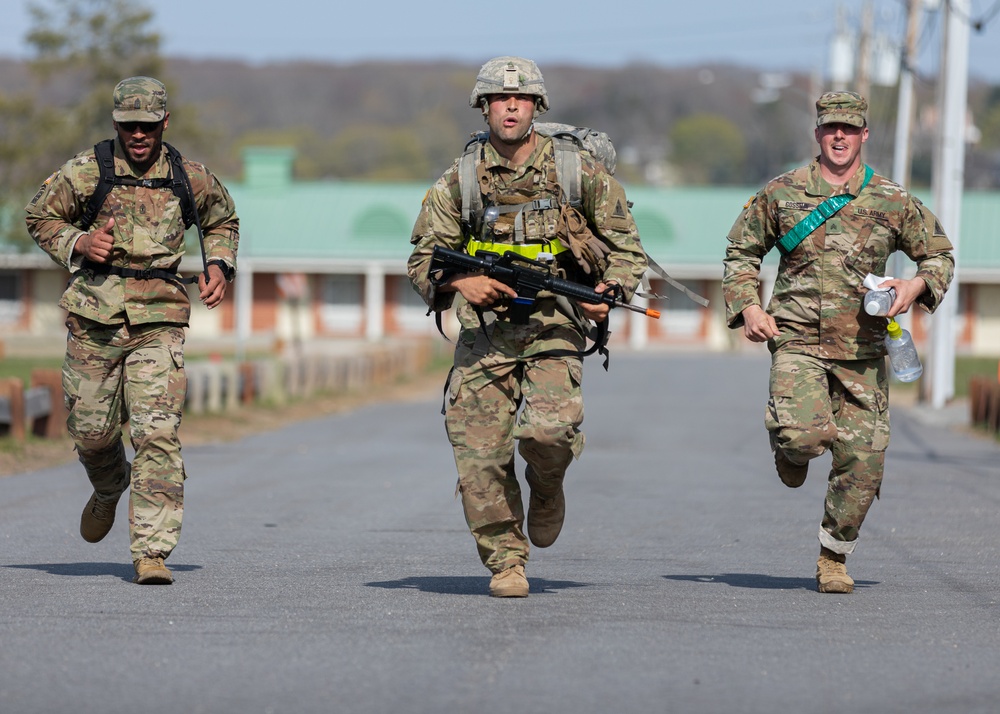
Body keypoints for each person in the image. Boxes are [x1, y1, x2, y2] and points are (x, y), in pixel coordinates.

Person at [407, 57, 648, 597]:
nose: (510, 106)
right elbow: (423, 257)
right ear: (484, 107)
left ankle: (547, 483)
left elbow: (627, 248)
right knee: (479, 456)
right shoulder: (461, 179)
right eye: (499, 98)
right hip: (485, 333)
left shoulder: (575, 171)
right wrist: (459, 283)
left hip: (554, 325)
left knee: (548, 433)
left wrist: (611, 292)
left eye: (521, 98)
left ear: (537, 106)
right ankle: (506, 562)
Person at [722, 91, 954, 594]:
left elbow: (939, 256)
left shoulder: (892, 199)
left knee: (865, 460)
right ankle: (790, 444)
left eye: (850, 129)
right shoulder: (782, 193)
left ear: (864, 134)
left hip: (865, 350)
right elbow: (741, 252)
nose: (840, 137)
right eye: (831, 128)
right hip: (798, 340)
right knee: (805, 436)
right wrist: (749, 306)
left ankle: (833, 557)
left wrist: (914, 286)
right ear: (818, 134)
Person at [25, 76, 239, 585]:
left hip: (160, 319)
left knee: (157, 433)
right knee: (92, 433)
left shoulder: (190, 177)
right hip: (95, 317)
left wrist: (221, 266)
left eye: (147, 125)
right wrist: (78, 243)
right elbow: (39, 216)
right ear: (115, 123)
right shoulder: (85, 172)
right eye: (128, 125)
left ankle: (152, 551)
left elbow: (222, 220)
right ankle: (108, 485)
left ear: (165, 122)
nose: (138, 134)